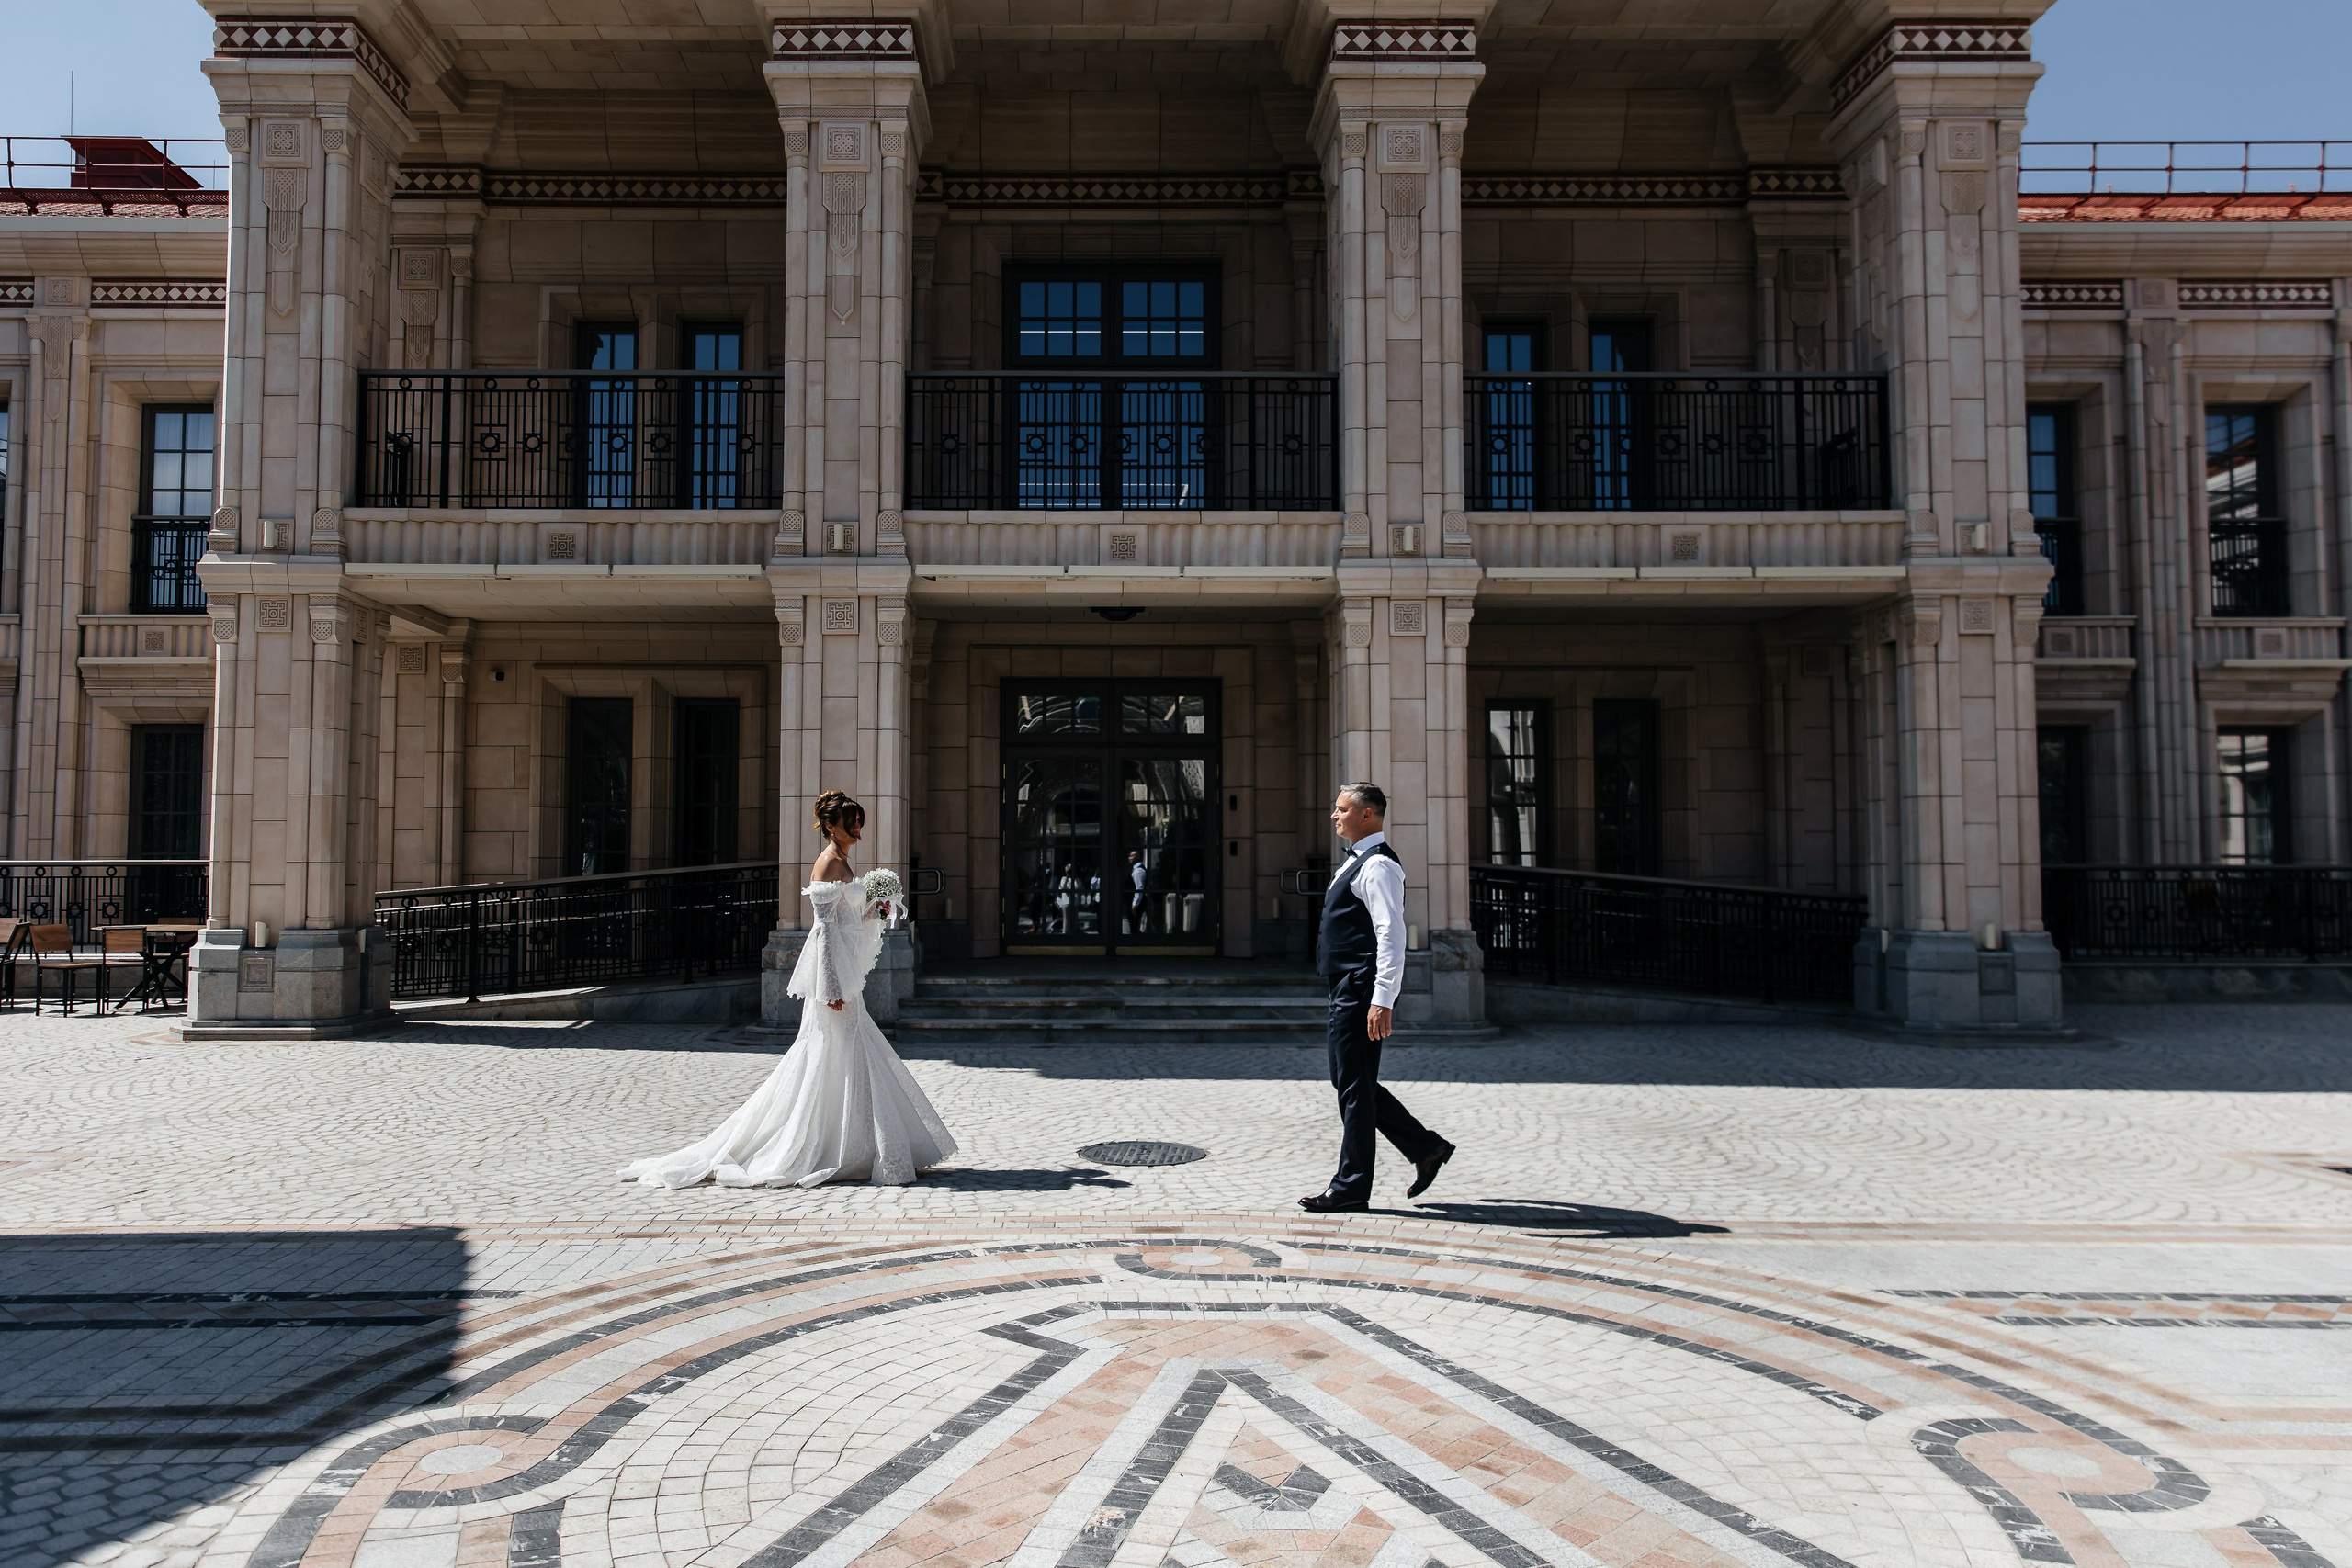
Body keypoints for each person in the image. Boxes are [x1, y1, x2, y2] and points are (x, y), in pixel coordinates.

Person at [619, 791, 956, 1188]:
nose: (858, 829)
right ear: (831, 827)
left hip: (845, 973)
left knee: (847, 1053)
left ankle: (858, 1145)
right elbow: (825, 931)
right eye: (852, 823)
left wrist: (876, 908)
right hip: (835, 979)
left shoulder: (844, 861)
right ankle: (831, 1146)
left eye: (859, 821)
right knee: (835, 1053)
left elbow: (847, 919)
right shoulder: (828, 863)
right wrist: (831, 985)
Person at [1299, 783, 1455, 1213]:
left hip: (1360, 987)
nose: (1334, 815)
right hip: (1347, 987)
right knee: (1351, 1083)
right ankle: (1426, 1148)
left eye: (1342, 809)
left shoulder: (1379, 866)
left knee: (1353, 1086)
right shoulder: (1356, 862)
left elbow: (1391, 934)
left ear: (1367, 815)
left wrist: (1382, 997)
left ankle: (1351, 1186)